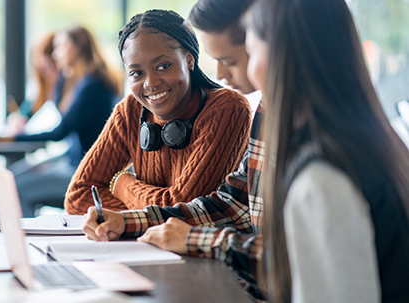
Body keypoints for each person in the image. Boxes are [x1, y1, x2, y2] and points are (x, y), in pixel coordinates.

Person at [85, 0, 409, 302]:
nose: (225, 75)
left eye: (247, 53)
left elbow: (297, 270)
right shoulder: (279, 117)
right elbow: (236, 202)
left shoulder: (323, 168)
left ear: (286, 53)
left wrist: (195, 239)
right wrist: (132, 221)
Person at [83, 0, 266, 299]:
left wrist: (120, 182)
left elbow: (293, 260)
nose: (219, 73)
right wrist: (126, 222)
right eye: (136, 73)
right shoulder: (269, 114)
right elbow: (230, 206)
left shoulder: (237, 108)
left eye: (230, 60)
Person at [64, 9, 252, 215]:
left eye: (163, 66)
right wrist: (136, 217)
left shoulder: (227, 108)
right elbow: (77, 196)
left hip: (199, 245)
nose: (151, 83)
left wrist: (121, 183)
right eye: (137, 73)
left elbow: (181, 208)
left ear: (189, 60)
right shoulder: (131, 110)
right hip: (145, 244)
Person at [0, 26, 120, 217]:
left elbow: (60, 132)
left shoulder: (92, 86)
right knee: (11, 176)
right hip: (73, 160)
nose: (56, 54)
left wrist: (7, 139)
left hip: (85, 173)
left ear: (79, 47)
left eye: (61, 47)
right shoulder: (77, 80)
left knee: (15, 187)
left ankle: (27, 241)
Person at [6, 32, 59, 132]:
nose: (46, 75)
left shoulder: (64, 94)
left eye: (47, 68)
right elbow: (21, 115)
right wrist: (16, 119)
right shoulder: (40, 93)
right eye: (42, 70)